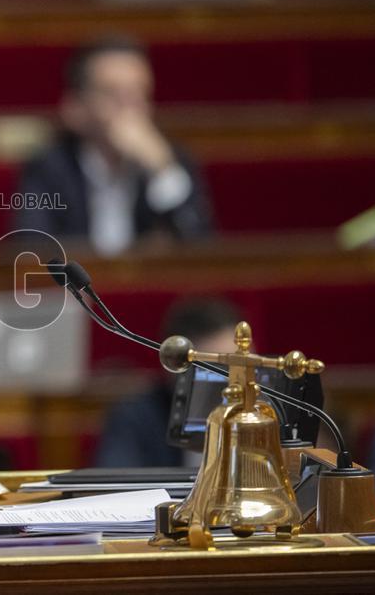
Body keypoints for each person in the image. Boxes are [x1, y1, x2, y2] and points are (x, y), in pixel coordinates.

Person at [15, 36, 213, 256]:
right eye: (112, 94)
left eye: (140, 93)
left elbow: (201, 253)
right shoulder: (49, 166)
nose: (130, 108)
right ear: (76, 107)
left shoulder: (171, 162)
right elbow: (32, 253)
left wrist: (162, 171)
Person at [95, 298, 239, 468]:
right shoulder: (136, 416)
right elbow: (115, 480)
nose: (234, 381)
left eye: (242, 364)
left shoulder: (265, 412)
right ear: (175, 369)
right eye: (217, 370)